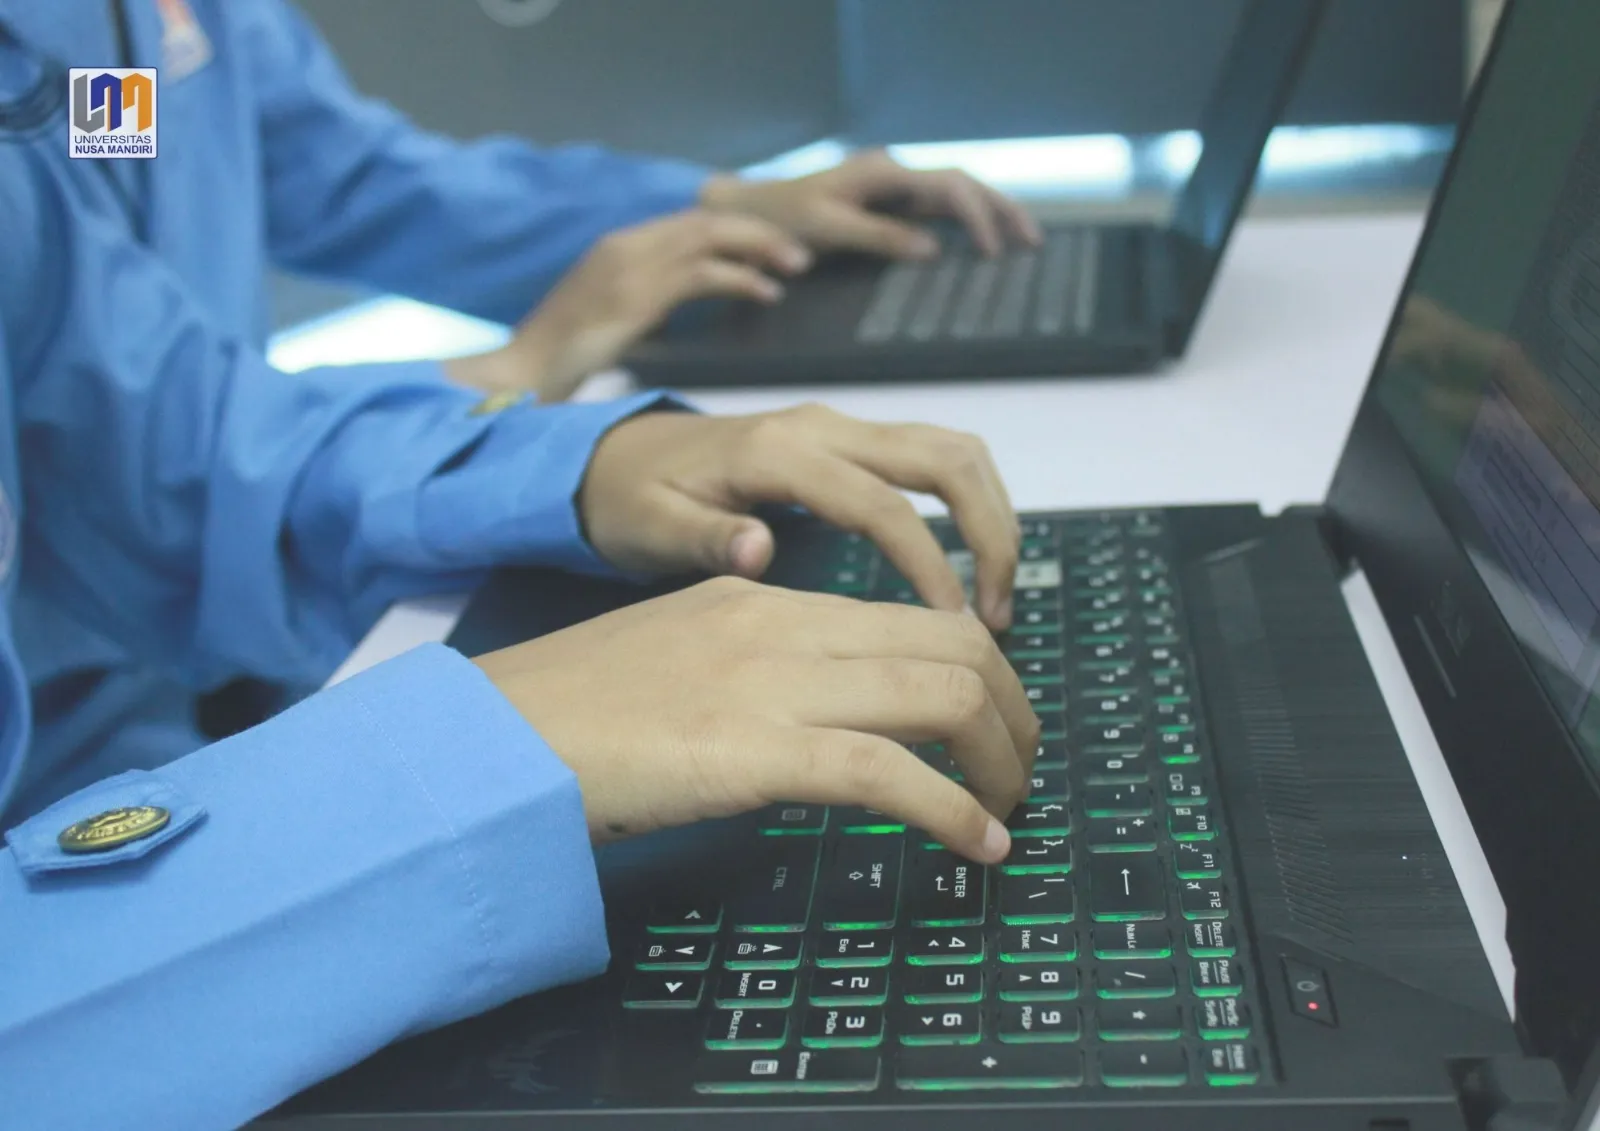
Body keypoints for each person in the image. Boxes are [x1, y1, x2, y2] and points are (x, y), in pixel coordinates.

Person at [0, 2, 1039, 1127]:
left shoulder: (81, 57)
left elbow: (169, 427)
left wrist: (578, 462)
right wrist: (460, 760)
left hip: (142, 766)